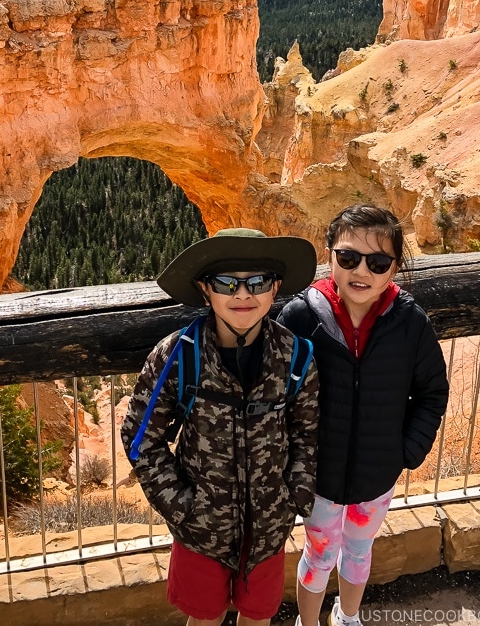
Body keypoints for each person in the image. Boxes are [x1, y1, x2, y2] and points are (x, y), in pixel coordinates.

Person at [121, 227, 320, 626]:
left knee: (258, 616)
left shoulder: (296, 357)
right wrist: (183, 507)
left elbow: (307, 433)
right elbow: (140, 438)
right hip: (201, 530)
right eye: (227, 282)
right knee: (204, 617)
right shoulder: (178, 356)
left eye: (258, 282)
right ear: (205, 289)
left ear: (275, 286)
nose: (242, 295)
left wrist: (293, 497)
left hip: (267, 526)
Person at [277, 205, 449, 626]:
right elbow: (276, 394)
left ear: (394, 266)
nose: (362, 271)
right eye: (348, 257)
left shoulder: (409, 321)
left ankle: (349, 616)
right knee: (319, 552)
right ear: (329, 254)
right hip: (317, 476)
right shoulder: (300, 317)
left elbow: (432, 391)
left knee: (357, 549)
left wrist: (405, 451)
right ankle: (309, 621)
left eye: (378, 262)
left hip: (377, 473)